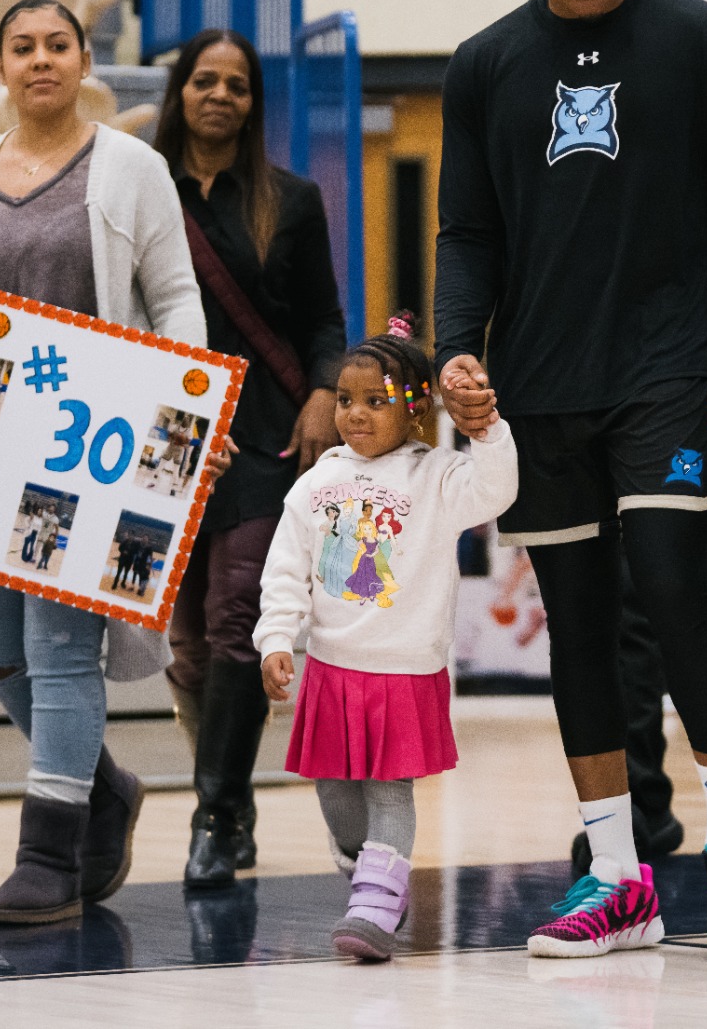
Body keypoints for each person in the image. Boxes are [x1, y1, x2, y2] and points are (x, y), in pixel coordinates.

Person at [433, 0, 707, 961]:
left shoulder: (703, 41)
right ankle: (616, 872)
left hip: (671, 371)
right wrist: (455, 349)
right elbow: (466, 233)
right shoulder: (482, 64)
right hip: (542, 386)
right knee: (578, 629)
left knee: (668, 582)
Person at [0, 0, 208, 926]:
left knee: (61, 646)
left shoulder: (132, 166)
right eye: (22, 47)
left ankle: (48, 855)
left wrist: (182, 406)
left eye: (57, 45)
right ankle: (101, 788)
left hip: (83, 442)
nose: (40, 60)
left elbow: (177, 297)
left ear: (83, 61)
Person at [253, 316, 518, 961]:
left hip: (403, 669)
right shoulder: (316, 484)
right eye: (346, 399)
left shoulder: (438, 477)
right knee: (336, 793)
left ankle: (376, 901)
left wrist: (487, 432)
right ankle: (367, 879)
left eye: (376, 401)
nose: (355, 414)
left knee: (388, 789)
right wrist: (275, 639)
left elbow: (497, 489)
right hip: (334, 668)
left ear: (417, 410)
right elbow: (286, 566)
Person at [153, 27, 349, 888]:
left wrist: (320, 392)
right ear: (181, 91)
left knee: (239, 620)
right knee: (190, 646)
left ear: (252, 102)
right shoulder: (138, 192)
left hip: (268, 434)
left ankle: (212, 817)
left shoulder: (291, 199)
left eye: (237, 84)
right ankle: (229, 803)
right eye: (206, 80)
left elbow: (324, 322)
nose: (221, 95)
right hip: (166, 439)